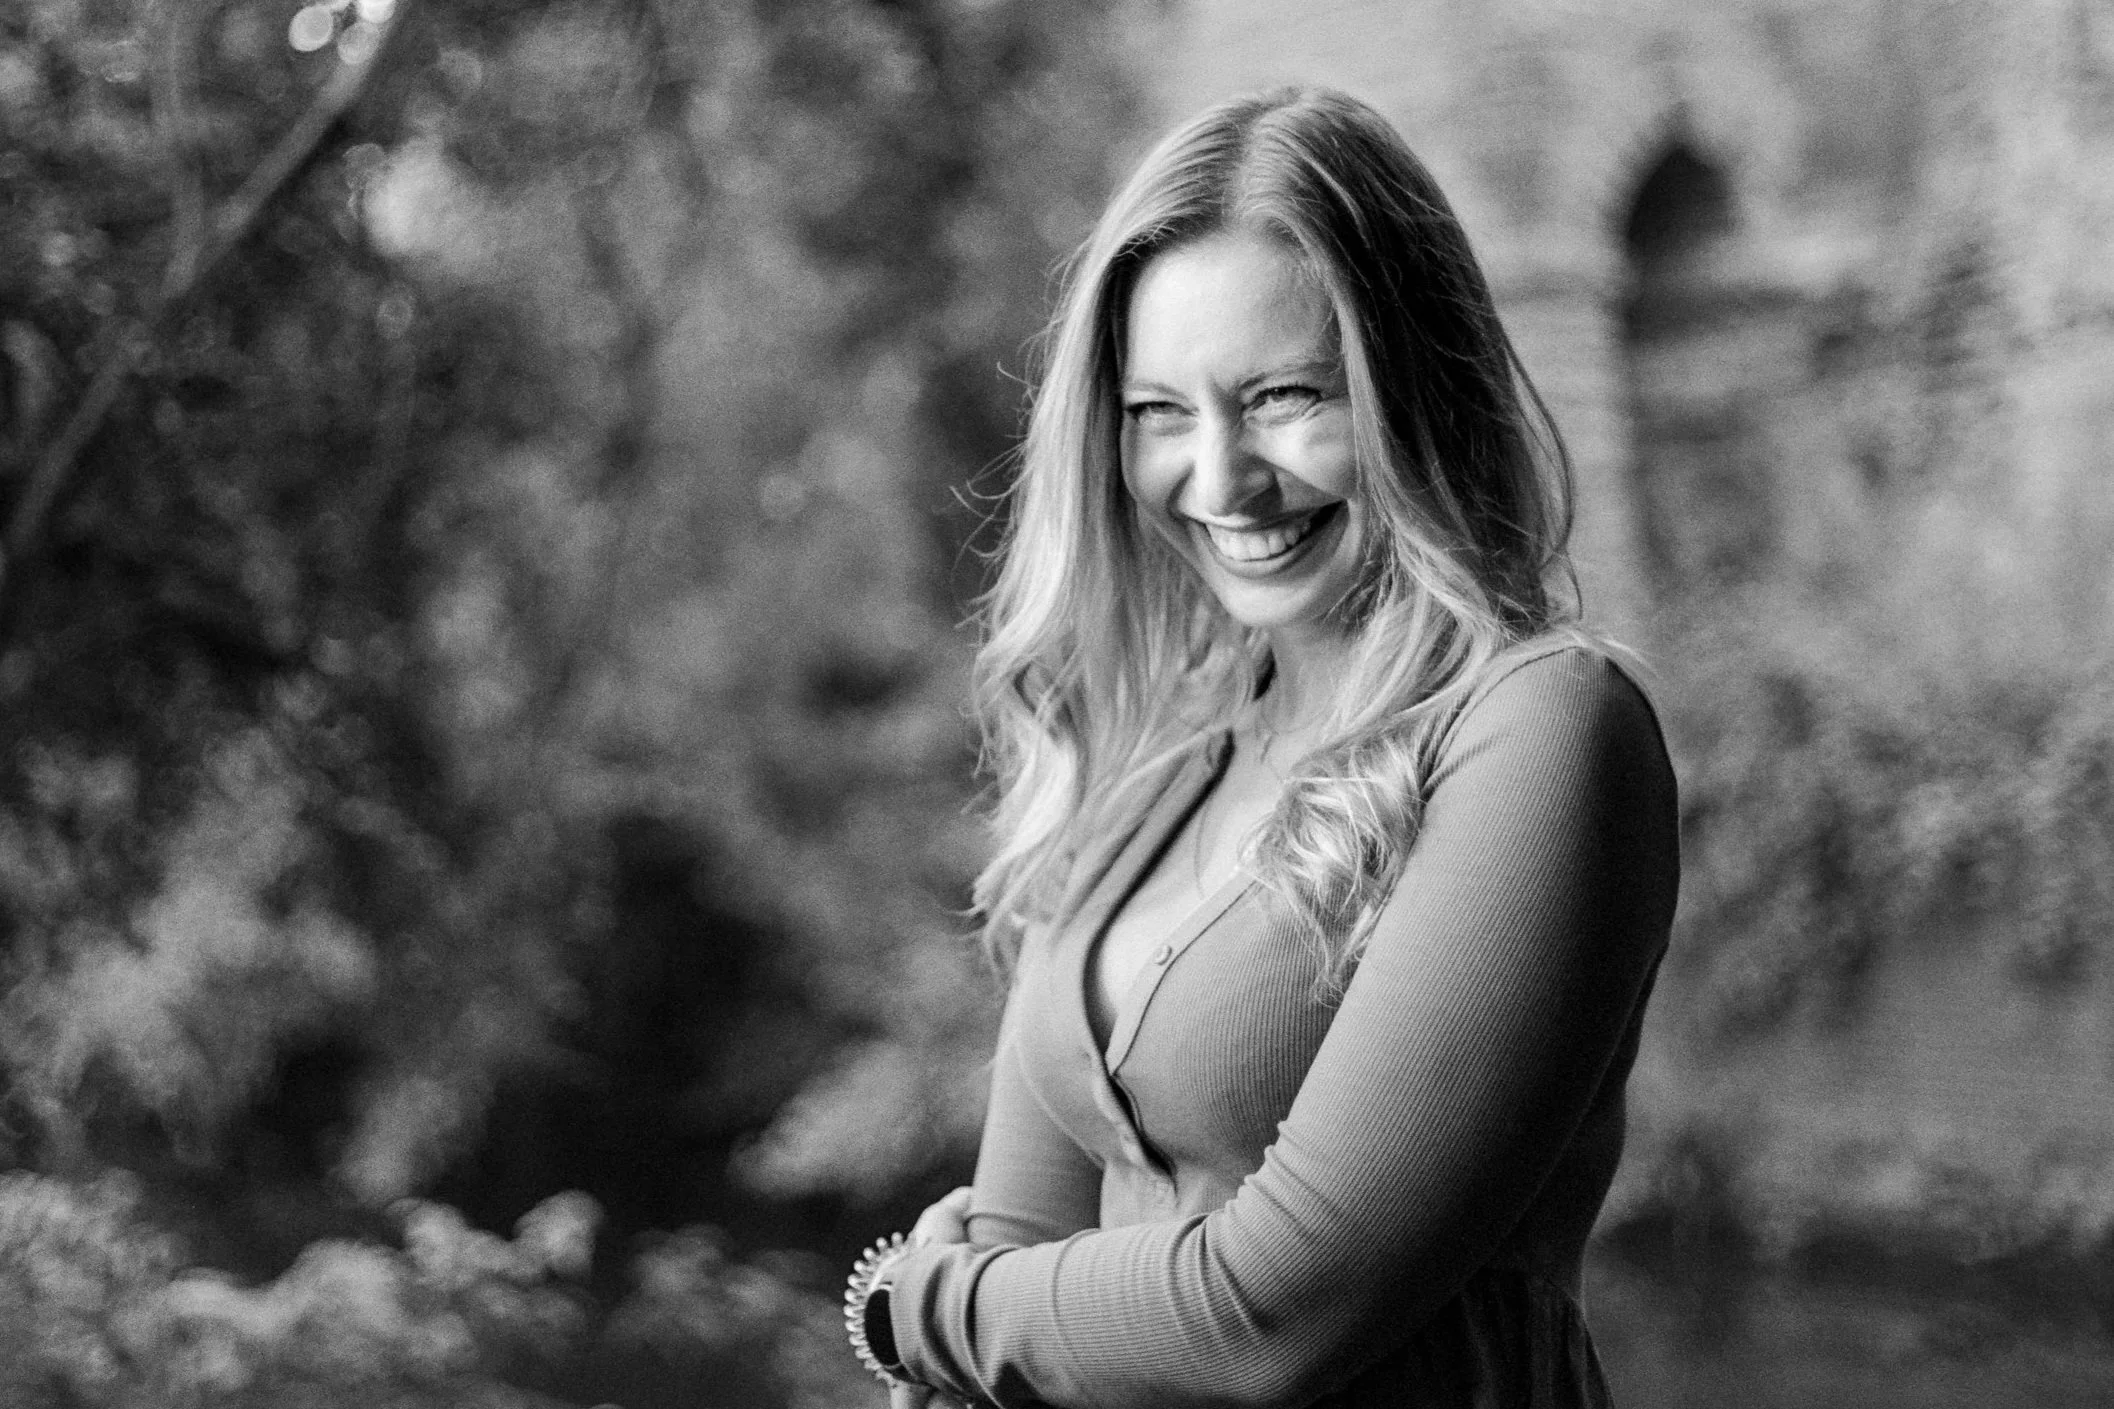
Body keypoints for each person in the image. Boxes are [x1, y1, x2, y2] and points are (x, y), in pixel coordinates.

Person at [844, 86, 1680, 1409]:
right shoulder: (1163, 756)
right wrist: (967, 1321)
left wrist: (907, 1301)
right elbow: (1018, 1231)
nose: (1220, 479)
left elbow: (1269, 1312)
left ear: (1418, 385)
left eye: (1284, 397)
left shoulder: (1538, 733)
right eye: (1160, 413)